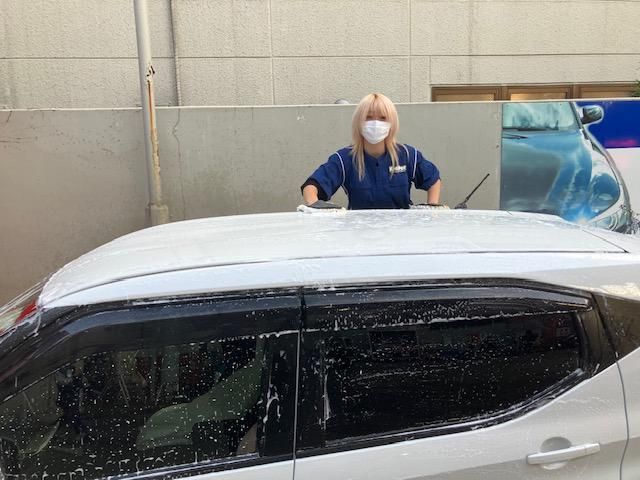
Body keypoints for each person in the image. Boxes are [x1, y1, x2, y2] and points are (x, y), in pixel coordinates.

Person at [301, 93, 441, 210]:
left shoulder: (408, 155)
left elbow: (433, 179)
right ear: (358, 122)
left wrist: (432, 208)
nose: (375, 123)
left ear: (392, 122)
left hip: (400, 230)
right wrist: (314, 206)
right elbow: (312, 186)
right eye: (368, 117)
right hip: (359, 230)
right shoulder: (344, 159)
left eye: (383, 118)